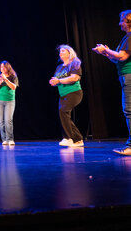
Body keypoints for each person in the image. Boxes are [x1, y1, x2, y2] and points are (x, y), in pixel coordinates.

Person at [92, 10, 131, 155]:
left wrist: (106, 50)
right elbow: (116, 59)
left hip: (129, 75)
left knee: (129, 110)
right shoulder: (126, 38)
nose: (119, 23)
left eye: (122, 20)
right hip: (125, 75)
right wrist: (105, 52)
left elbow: (121, 57)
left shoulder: (130, 36)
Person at [49, 45, 84, 147]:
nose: (61, 53)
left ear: (70, 52)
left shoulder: (74, 63)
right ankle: (78, 139)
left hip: (74, 92)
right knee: (64, 115)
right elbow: (57, 80)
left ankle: (68, 138)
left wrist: (59, 81)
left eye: (63, 51)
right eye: (60, 51)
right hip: (63, 94)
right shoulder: (59, 67)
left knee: (63, 112)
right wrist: (54, 82)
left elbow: (74, 78)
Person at [0, 61, 19, 145]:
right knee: (1, 121)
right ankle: (4, 139)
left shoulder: (13, 76)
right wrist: (0, 82)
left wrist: (6, 79)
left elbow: (13, 87)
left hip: (9, 101)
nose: (2, 69)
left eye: (4, 67)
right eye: (1, 67)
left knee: (8, 120)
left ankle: (10, 139)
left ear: (8, 67)